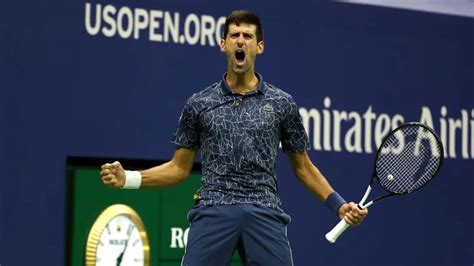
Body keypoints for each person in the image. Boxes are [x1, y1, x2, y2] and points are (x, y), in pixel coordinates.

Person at [100, 9, 368, 266]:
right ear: (223, 44)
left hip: (264, 208)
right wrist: (129, 179)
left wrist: (339, 206)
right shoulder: (199, 103)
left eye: (248, 36)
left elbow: (304, 168)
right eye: (235, 35)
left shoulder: (281, 103)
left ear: (259, 47)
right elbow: (178, 168)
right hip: (213, 206)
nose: (241, 41)